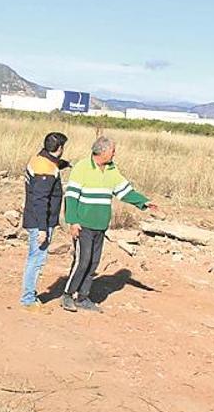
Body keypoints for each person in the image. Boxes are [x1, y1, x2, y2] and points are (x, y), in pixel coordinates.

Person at [61, 136, 158, 312]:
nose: (115, 153)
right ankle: (68, 294)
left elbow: (125, 191)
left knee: (93, 262)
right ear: (103, 151)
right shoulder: (82, 167)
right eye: (113, 150)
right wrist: (73, 222)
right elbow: (71, 196)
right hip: (83, 224)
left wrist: (144, 202)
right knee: (82, 261)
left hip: (100, 225)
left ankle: (83, 297)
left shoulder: (112, 169)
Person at [19, 132, 71, 311]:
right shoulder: (45, 169)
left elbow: (50, 165)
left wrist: (63, 164)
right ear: (60, 148)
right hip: (40, 221)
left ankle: (29, 297)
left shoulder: (40, 159)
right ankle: (28, 300)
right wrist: (43, 229)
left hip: (38, 219)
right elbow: (40, 200)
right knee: (37, 259)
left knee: (35, 257)